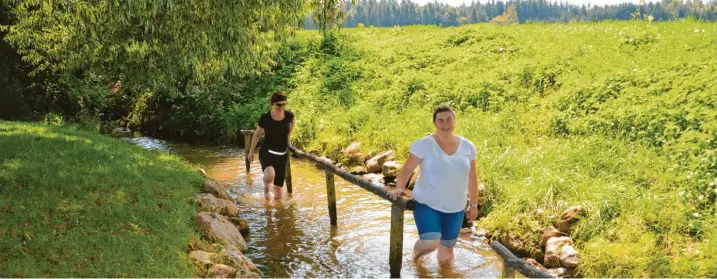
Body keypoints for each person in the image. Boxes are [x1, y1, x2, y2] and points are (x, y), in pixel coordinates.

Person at [389, 104, 480, 265]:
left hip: (456, 207)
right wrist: (399, 188)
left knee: (446, 255)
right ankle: (414, 259)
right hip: (427, 203)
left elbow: (472, 177)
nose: (445, 124)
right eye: (440, 120)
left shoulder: (468, 146)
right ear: (435, 123)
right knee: (431, 243)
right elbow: (406, 169)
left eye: (448, 119)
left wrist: (473, 204)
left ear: (454, 121)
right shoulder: (424, 145)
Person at [248, 91, 294, 201]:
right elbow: (257, 134)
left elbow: (290, 130)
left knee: (279, 194)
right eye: (279, 104)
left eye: (284, 104)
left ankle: (278, 213)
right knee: (270, 175)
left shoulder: (289, 116)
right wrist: (251, 152)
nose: (282, 107)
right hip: (267, 152)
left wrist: (288, 142)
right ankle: (267, 193)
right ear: (273, 104)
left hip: (282, 155)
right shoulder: (265, 118)